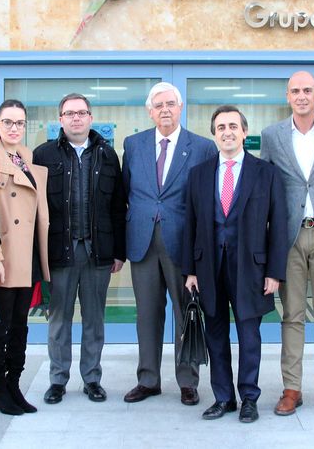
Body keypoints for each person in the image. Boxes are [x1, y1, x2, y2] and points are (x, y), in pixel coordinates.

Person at [182, 105, 288, 423]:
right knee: (215, 334)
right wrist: (190, 270)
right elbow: (191, 224)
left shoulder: (266, 173)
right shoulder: (199, 174)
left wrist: (274, 272)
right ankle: (224, 397)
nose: (227, 132)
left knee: (249, 335)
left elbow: (279, 226)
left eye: (233, 126)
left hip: (252, 270)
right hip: (209, 268)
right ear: (214, 135)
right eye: (220, 127)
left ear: (244, 131)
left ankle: (249, 398)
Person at [260, 71, 314, 418]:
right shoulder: (272, 136)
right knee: (292, 317)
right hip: (288, 237)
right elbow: (266, 187)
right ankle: (291, 389)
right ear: (287, 96)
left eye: (307, 90)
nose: (301, 96)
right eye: (295, 90)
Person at [122, 82, 217, 406]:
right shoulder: (133, 145)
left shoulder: (202, 148)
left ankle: (188, 381)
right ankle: (147, 380)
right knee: (147, 314)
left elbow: (207, 203)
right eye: (159, 105)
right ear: (150, 111)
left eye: (171, 104)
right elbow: (127, 193)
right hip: (143, 243)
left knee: (185, 313)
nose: (165, 109)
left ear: (180, 108)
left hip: (183, 244)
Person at [33, 93, 126, 404]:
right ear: (60, 119)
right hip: (60, 251)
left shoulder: (107, 155)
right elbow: (35, 208)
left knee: (94, 318)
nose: (76, 118)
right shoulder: (43, 155)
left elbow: (117, 207)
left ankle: (92, 379)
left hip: (97, 251)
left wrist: (119, 251)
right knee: (59, 318)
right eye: (69, 113)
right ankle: (58, 380)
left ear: (90, 117)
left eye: (81, 113)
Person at [0, 99, 50, 415]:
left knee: (20, 325)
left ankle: (14, 386)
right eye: (7, 122)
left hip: (28, 256)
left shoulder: (27, 158)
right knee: (0, 327)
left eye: (19, 123)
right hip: (4, 256)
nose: (13, 128)